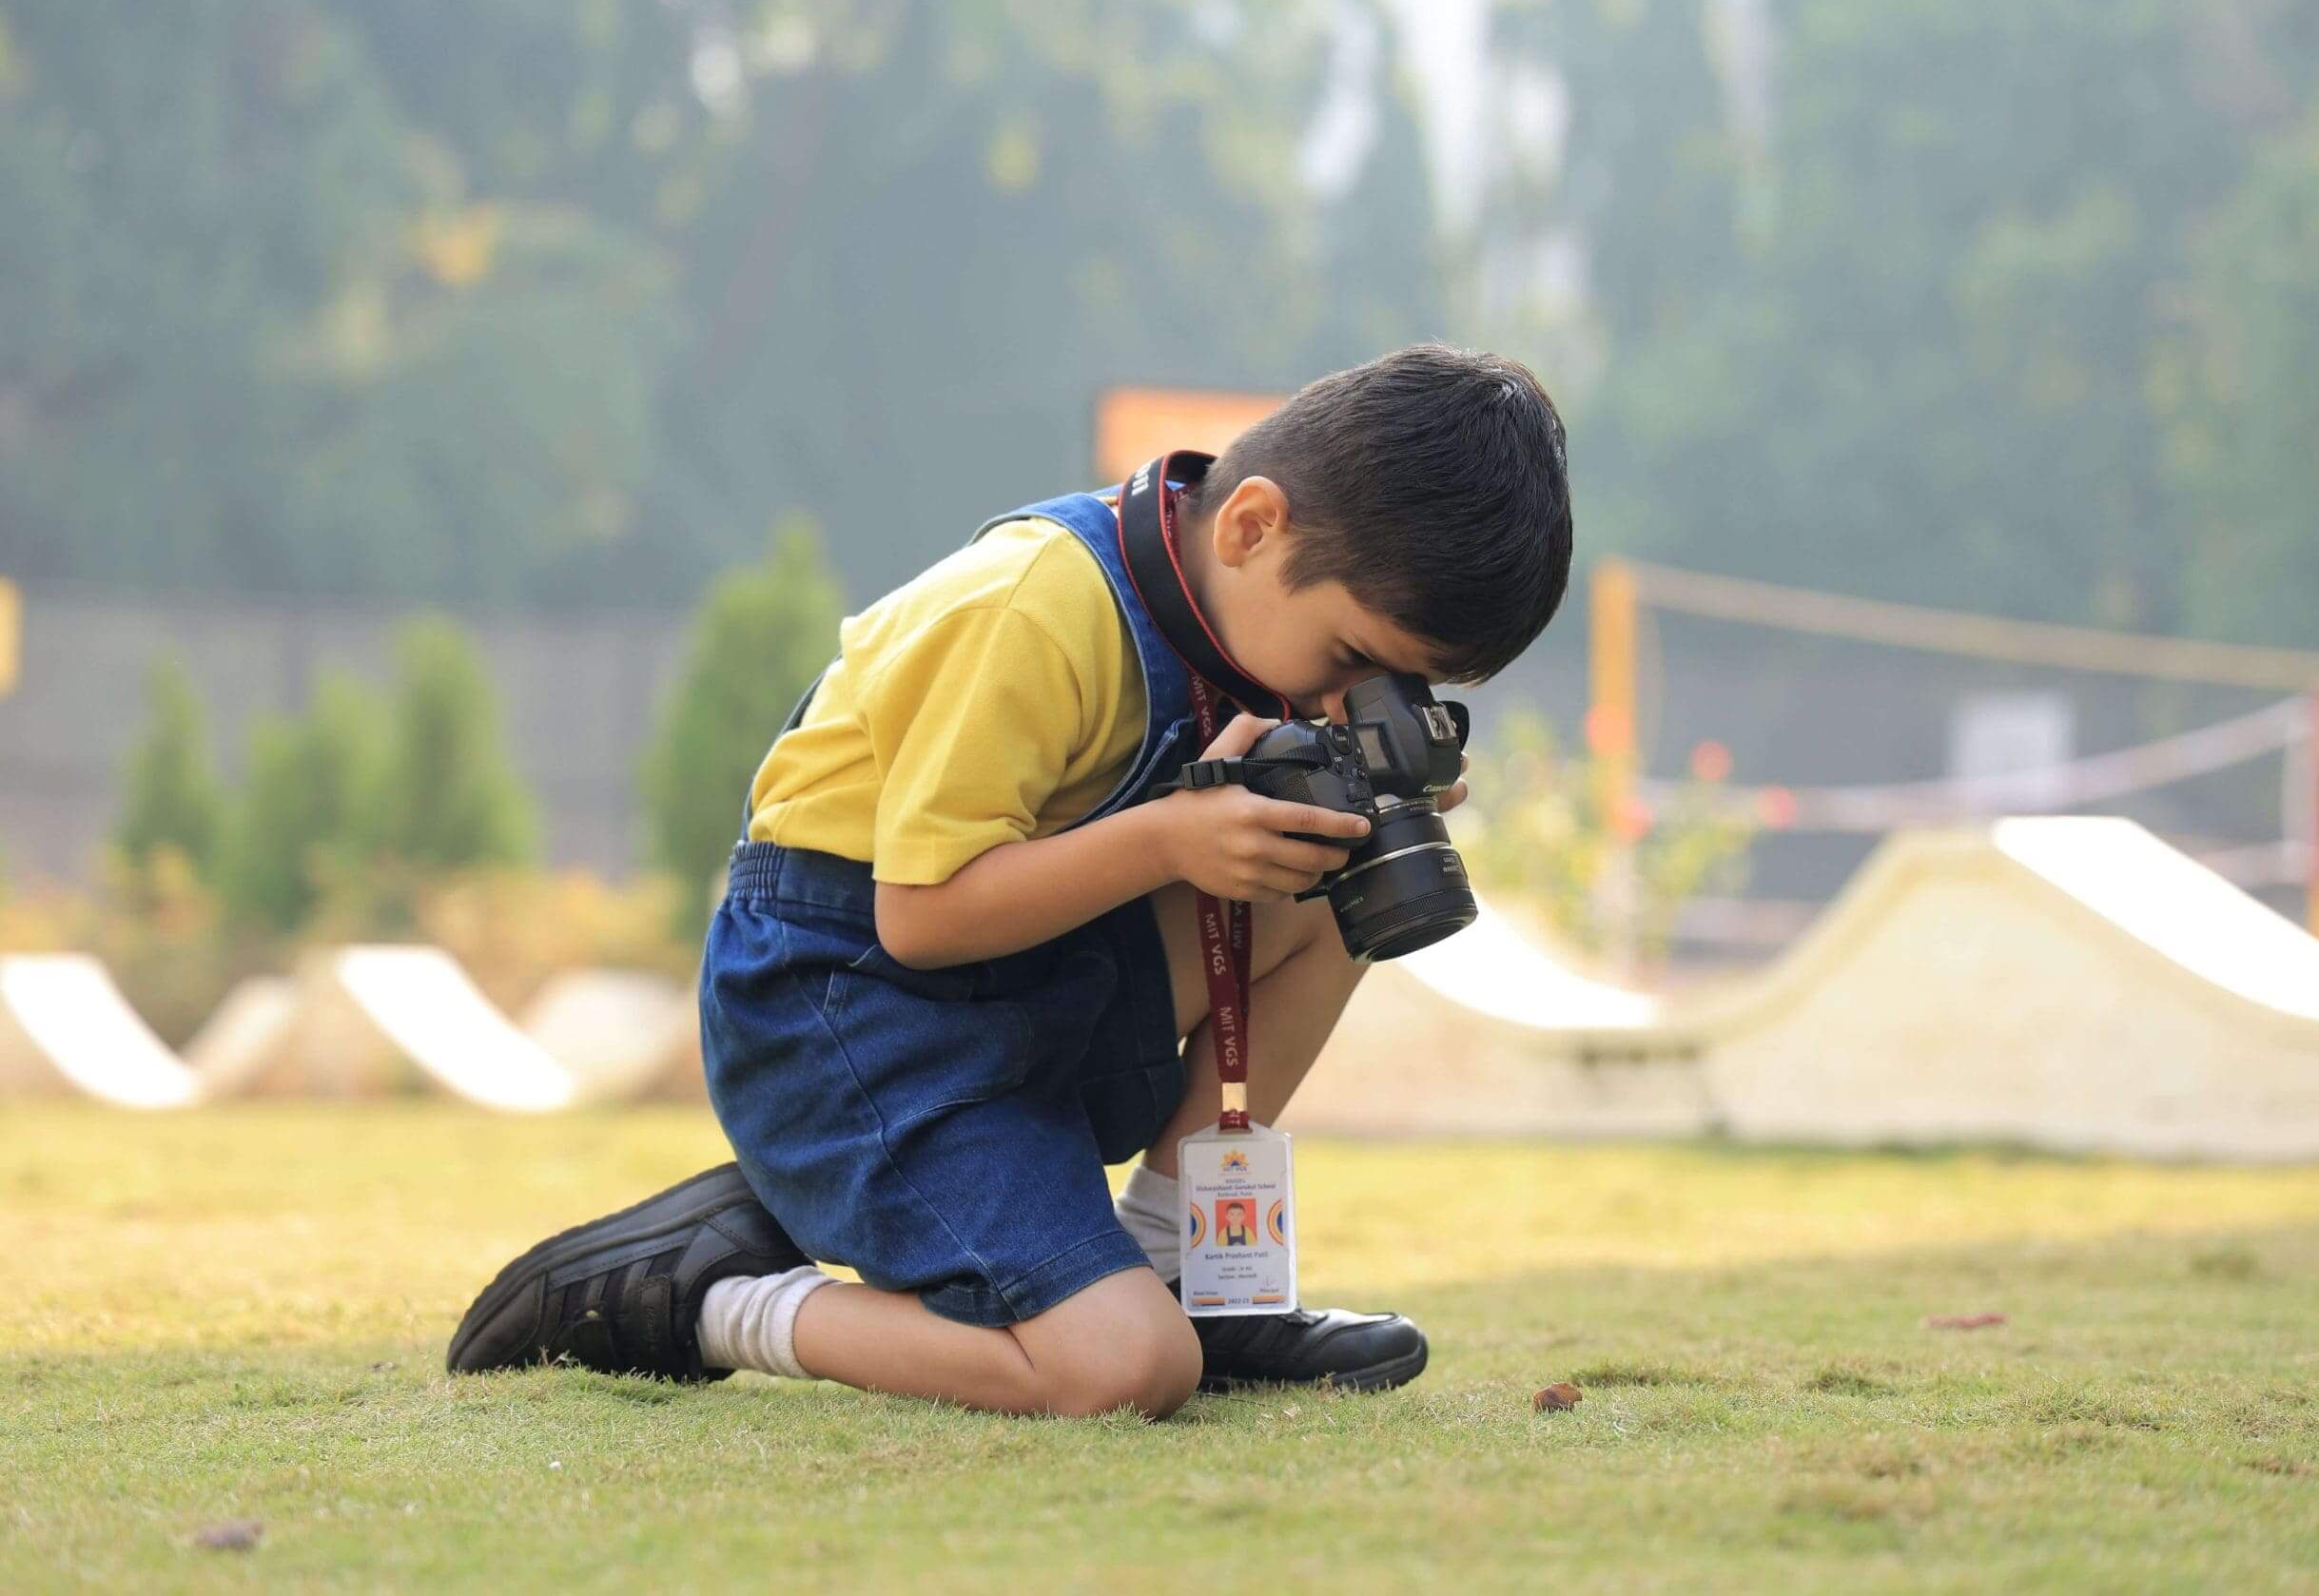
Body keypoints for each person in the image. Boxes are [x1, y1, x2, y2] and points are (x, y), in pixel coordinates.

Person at [447, 344, 1572, 1418]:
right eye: (1350, 664)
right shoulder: (1033, 606)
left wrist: (1366, 795)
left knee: (1342, 886)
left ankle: (1175, 1268)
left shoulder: (1246, 615)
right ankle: (705, 1296)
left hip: (1036, 977)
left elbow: (1204, 849)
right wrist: (1171, 842)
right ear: (1252, 524)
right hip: (848, 1011)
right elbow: (922, 917)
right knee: (1124, 1373)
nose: (1348, 703)